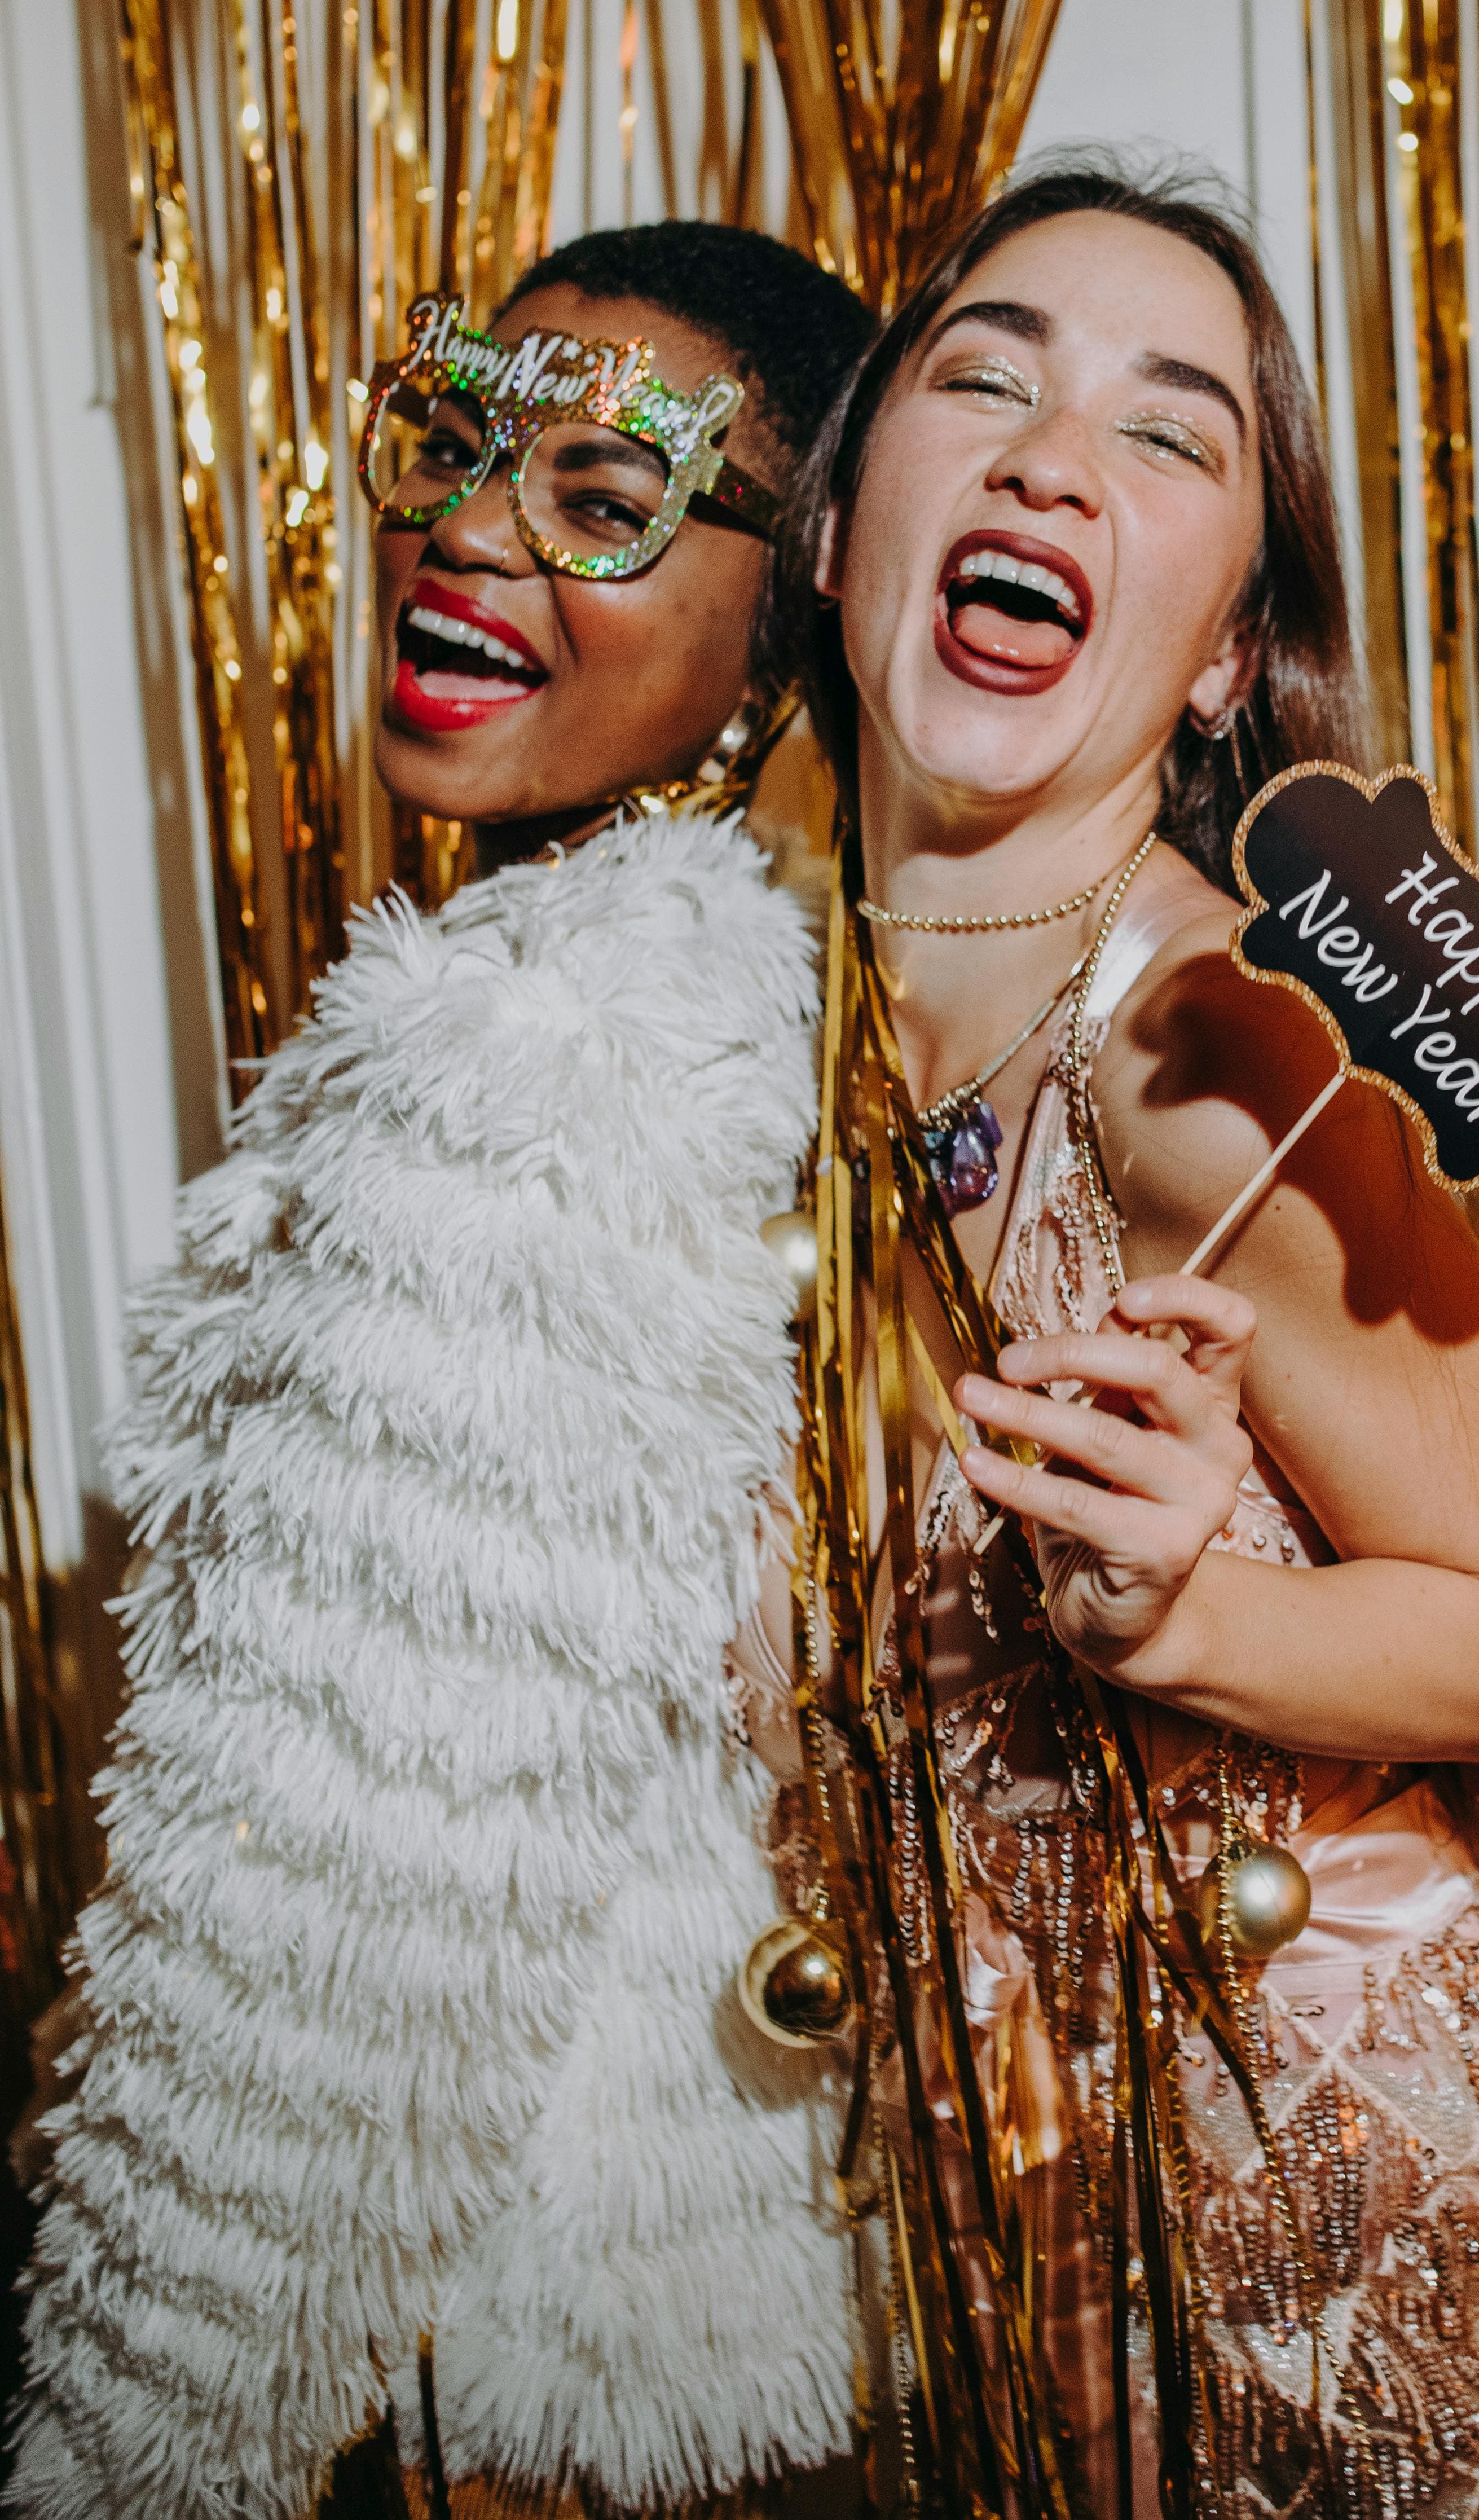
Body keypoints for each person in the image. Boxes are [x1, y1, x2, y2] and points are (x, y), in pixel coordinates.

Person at [746, 155, 1479, 2517]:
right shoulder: (757, 1015)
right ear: (846, 535)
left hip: (1392, 2257)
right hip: (1031, 2263)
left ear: (1227, 652)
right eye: (987, 379)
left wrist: (1188, 1611)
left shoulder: (1217, 1049)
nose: (1055, 457)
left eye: (1168, 435)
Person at [8, 222, 874, 2520]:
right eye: (456, 441)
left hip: (465, 2380)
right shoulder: (723, 985)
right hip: (669, 2342)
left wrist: (136, 2453)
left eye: (607, 499)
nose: (476, 532)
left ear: (781, 626)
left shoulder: (533, 1045)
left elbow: (343, 1920)